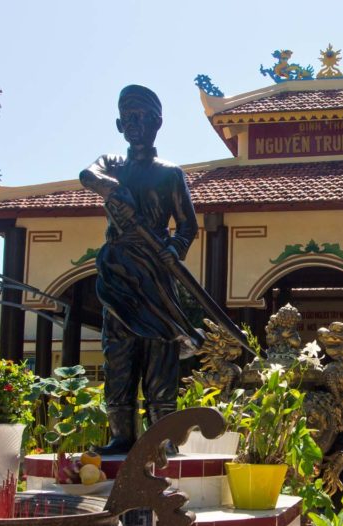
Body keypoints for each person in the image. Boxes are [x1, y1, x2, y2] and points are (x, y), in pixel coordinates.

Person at [79, 84, 202, 454]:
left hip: (155, 278)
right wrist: (112, 189)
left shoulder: (169, 174)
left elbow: (187, 226)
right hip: (119, 274)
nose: (134, 125)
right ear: (119, 124)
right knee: (118, 356)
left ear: (157, 123)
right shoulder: (113, 165)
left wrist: (174, 248)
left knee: (159, 355)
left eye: (142, 117)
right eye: (128, 118)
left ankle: (163, 438)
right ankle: (122, 435)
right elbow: (87, 174)